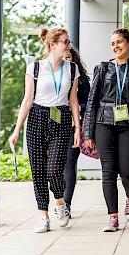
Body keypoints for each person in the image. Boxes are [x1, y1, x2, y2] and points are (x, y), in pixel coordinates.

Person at [8, 28, 81, 233]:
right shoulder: (35, 68)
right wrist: (16, 130)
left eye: (68, 41)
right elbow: (27, 100)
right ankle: (43, 215)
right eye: (65, 42)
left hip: (62, 117)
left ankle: (60, 203)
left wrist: (78, 127)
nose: (68, 45)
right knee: (38, 171)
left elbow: (73, 100)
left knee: (54, 169)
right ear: (52, 44)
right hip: (38, 117)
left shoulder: (72, 69)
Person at [83, 28, 129, 232]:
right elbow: (92, 101)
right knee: (108, 172)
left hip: (128, 125)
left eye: (119, 42)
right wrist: (88, 132)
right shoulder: (102, 68)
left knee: (127, 169)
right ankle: (112, 217)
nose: (116, 46)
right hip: (104, 124)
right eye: (113, 43)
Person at [63, 46, 91, 218]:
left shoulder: (82, 81)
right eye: (64, 58)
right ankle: (59, 198)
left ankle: (66, 204)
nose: (66, 61)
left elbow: (90, 105)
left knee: (69, 164)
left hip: (74, 127)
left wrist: (77, 107)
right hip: (54, 125)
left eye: (69, 59)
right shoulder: (50, 77)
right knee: (54, 167)